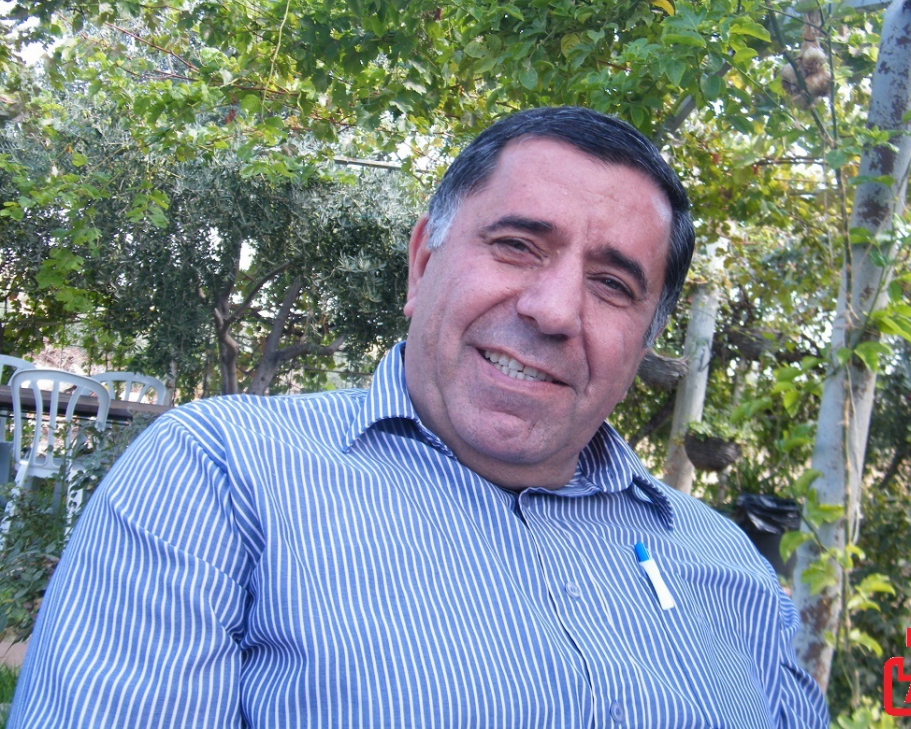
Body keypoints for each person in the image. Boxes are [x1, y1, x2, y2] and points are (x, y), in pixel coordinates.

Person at [10, 107, 829, 727]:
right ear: (422, 261)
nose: (552, 310)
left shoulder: (731, 569)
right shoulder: (221, 477)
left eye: (612, 285)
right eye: (516, 245)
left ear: (645, 342)